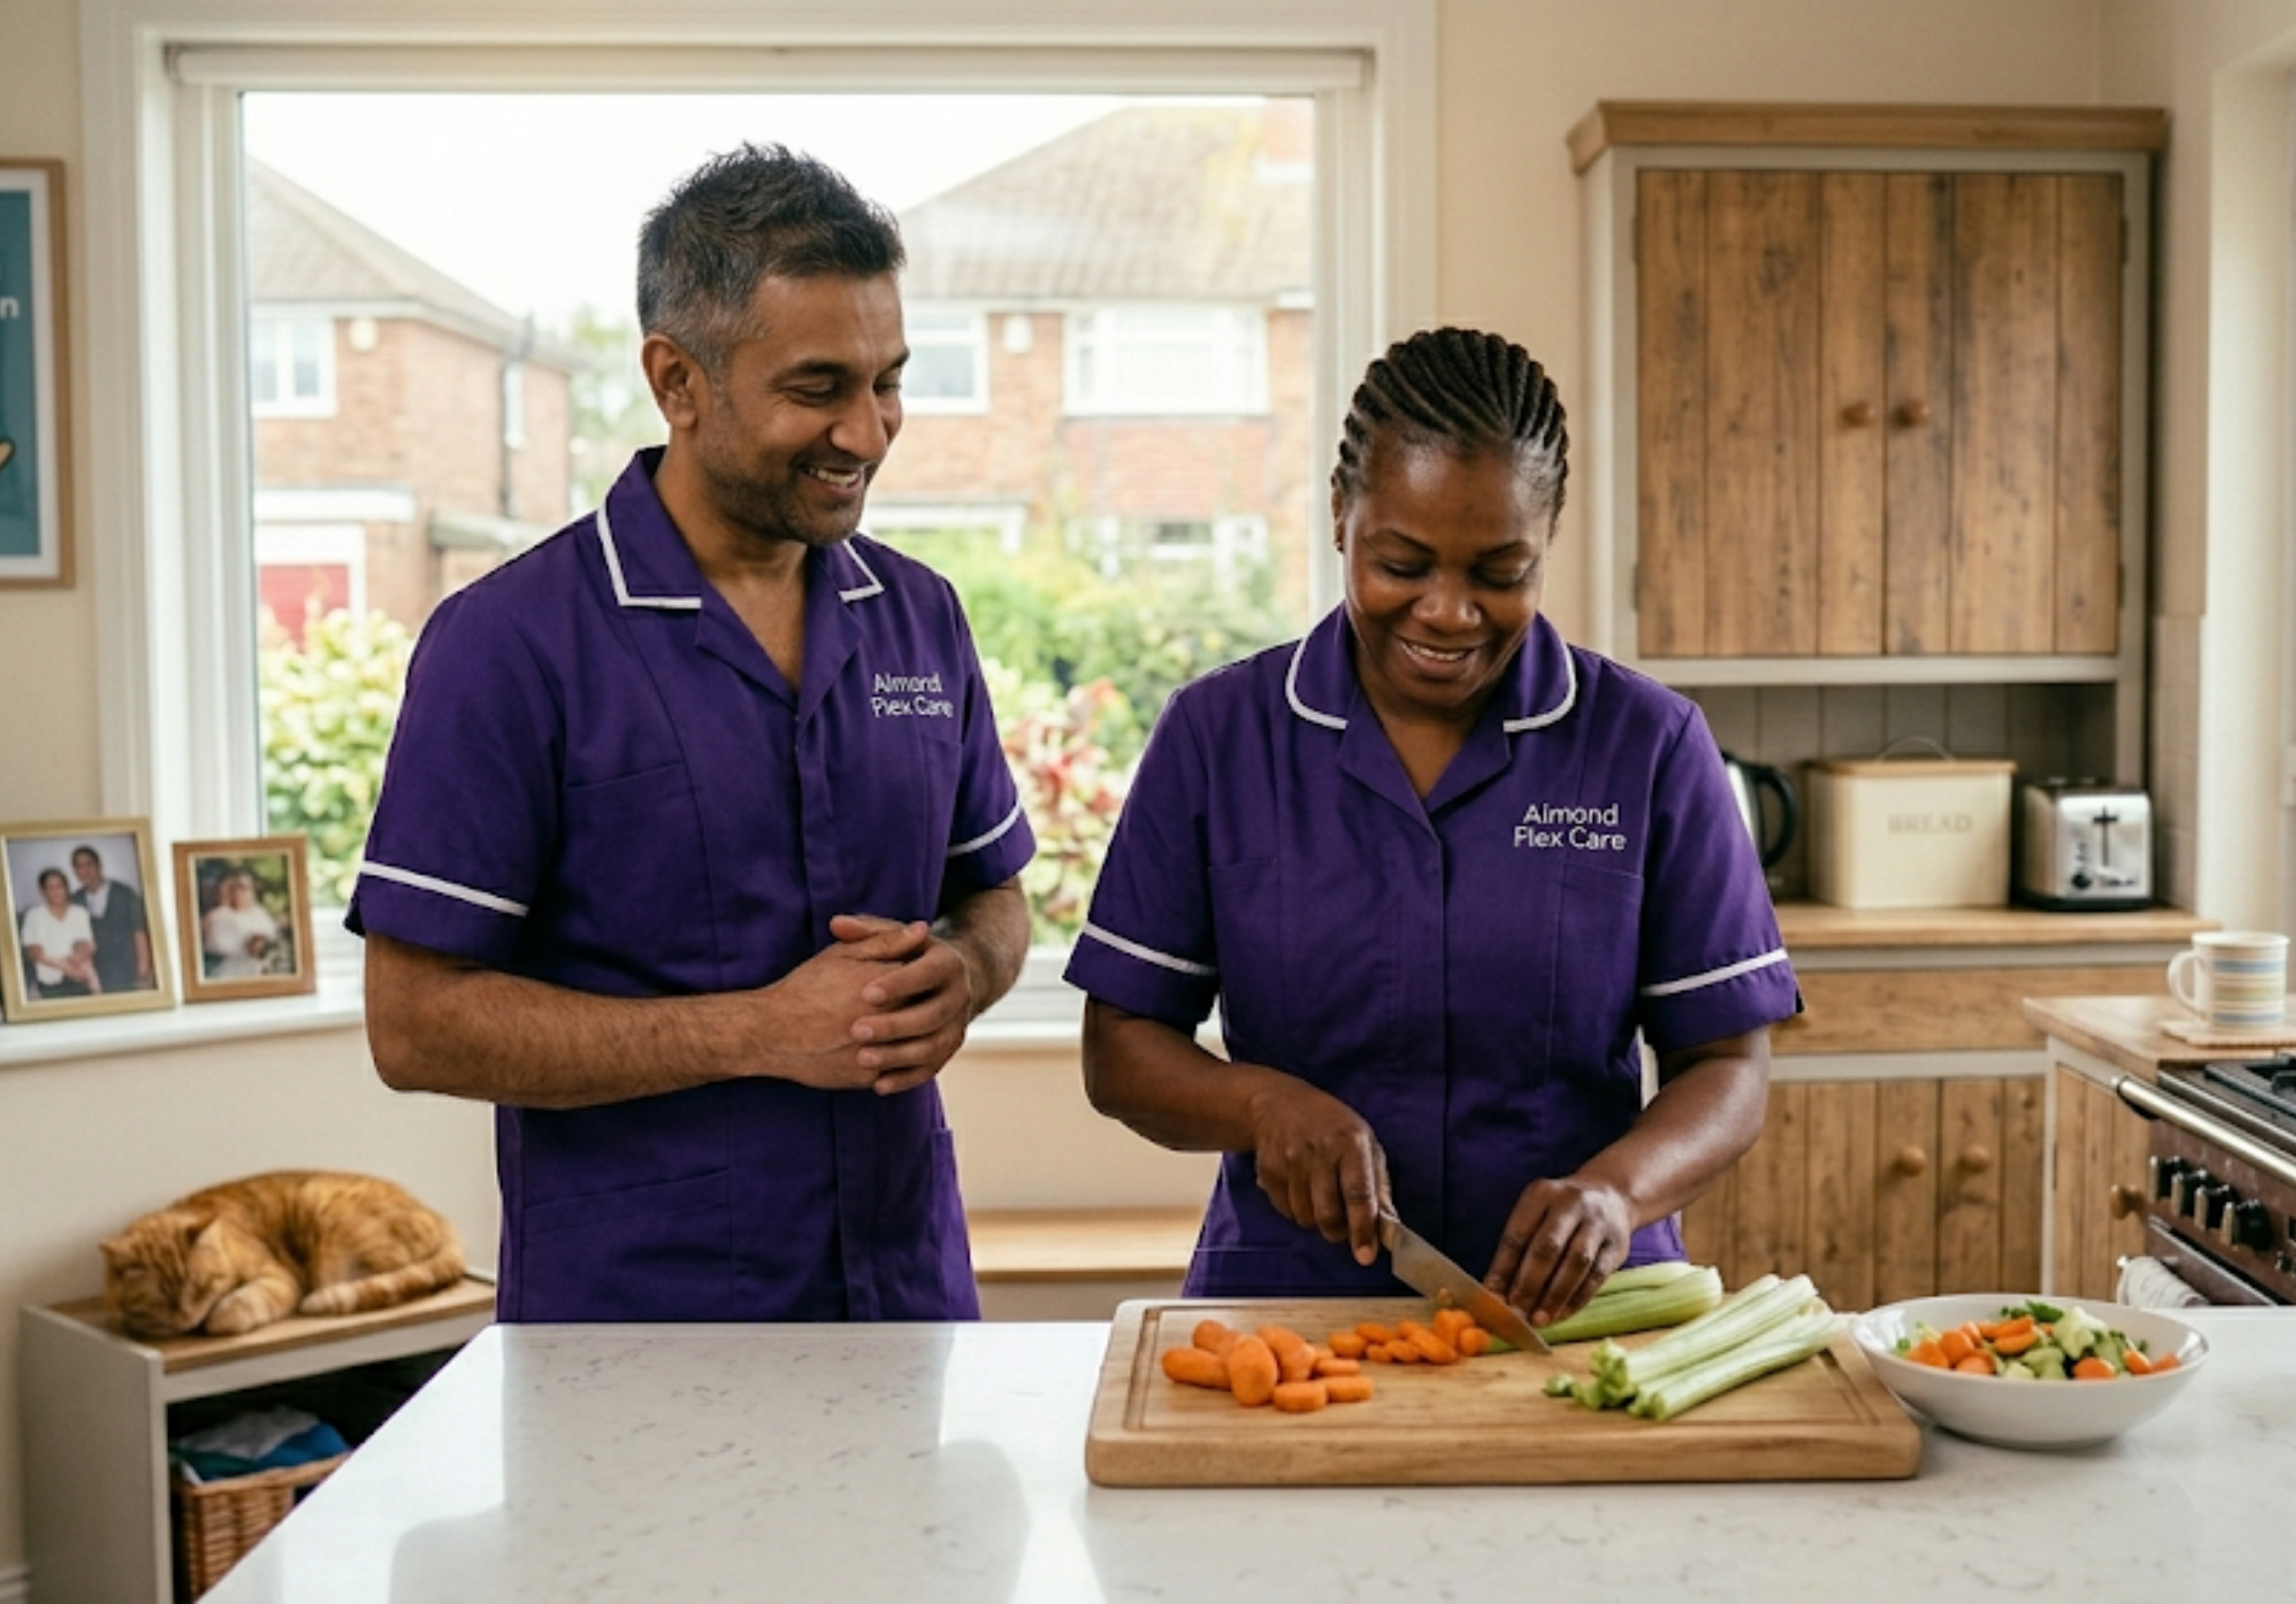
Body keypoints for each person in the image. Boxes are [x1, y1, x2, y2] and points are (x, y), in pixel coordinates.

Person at [348, 144, 1036, 1324]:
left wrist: (964, 975)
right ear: (678, 380)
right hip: (635, 1329)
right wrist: (761, 1032)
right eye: (819, 388)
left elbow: (995, 899)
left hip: (904, 1300)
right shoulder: (509, 645)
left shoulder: (920, 616)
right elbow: (416, 1026)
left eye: (890, 381)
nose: (868, 433)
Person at [1063, 328, 1800, 1330]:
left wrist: (1619, 1193)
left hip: (1578, 1317)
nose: (1449, 613)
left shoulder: (1649, 743)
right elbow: (1121, 1047)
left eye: (1500, 573)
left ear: (1549, 538)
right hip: (1290, 1309)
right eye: (1402, 563)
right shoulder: (1219, 735)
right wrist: (1265, 1107)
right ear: (1339, 516)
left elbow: (1728, 1067)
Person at [70, 843, 154, 993]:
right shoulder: (75, 900)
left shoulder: (124, 893)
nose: (84, 871)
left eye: (88, 864)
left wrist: (143, 967)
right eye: (79, 867)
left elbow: (139, 932)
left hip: (126, 969)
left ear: (99, 865)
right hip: (94, 974)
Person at [20, 867, 101, 998]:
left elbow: (90, 944)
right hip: (50, 982)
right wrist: (66, 967)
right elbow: (34, 952)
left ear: (66, 888)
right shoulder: (34, 916)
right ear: (43, 891)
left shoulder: (80, 913)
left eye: (60, 886)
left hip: (80, 979)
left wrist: (78, 959)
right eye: (50, 888)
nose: (56, 892)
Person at [202, 869, 282, 979]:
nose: (238, 893)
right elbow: (216, 946)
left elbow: (270, 944)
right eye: (234, 889)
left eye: (244, 889)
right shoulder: (218, 916)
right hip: (227, 973)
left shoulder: (260, 914)